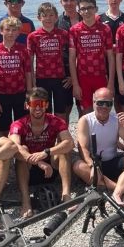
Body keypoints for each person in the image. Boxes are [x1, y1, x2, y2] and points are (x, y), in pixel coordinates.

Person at [7, 88, 75, 216]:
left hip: (51, 169)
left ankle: (66, 194)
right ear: (27, 106)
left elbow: (70, 143)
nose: (38, 108)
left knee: (63, 149)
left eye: (41, 104)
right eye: (34, 104)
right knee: (22, 151)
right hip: (30, 168)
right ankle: (26, 201)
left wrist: (46, 152)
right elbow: (14, 147)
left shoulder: (56, 121)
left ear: (47, 105)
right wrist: (39, 162)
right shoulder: (18, 124)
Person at [73, 87, 124, 205]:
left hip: (112, 161)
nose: (104, 107)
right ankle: (120, 189)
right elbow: (83, 148)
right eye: (100, 103)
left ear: (112, 104)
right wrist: (91, 165)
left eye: (108, 103)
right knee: (78, 167)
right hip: (94, 164)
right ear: (93, 102)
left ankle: (114, 190)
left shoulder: (116, 120)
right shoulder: (85, 120)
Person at [69, 0, 114, 115]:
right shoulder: (74, 30)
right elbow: (72, 59)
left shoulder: (105, 29)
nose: (86, 11)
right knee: (86, 113)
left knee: (103, 111)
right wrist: (75, 84)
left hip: (101, 77)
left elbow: (110, 57)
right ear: (79, 11)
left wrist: (110, 82)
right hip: (83, 78)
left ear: (96, 9)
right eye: (83, 8)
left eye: (89, 7)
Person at [27, 2, 71, 123]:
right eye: (45, 15)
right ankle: (47, 138)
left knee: (60, 111)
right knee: (44, 109)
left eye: (51, 15)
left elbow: (73, 55)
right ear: (39, 18)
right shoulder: (33, 36)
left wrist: (72, 76)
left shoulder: (63, 34)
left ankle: (61, 137)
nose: (48, 18)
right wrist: (31, 81)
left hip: (59, 77)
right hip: (41, 78)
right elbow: (30, 61)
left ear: (56, 17)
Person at [0, 16, 33, 133]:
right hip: (2, 94)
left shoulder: (23, 50)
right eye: (7, 30)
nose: (10, 33)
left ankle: (20, 149)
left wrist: (29, 95)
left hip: (20, 93)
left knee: (22, 126)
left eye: (14, 30)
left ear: (18, 32)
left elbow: (28, 72)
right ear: (1, 31)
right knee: (3, 127)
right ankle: (6, 148)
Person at [57, 0, 80, 119]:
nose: (69, 3)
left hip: (83, 70)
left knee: (83, 107)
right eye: (65, 0)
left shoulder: (85, 19)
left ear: (77, 1)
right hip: (63, 72)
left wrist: (75, 76)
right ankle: (63, 137)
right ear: (61, 2)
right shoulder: (56, 21)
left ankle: (83, 138)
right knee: (65, 108)